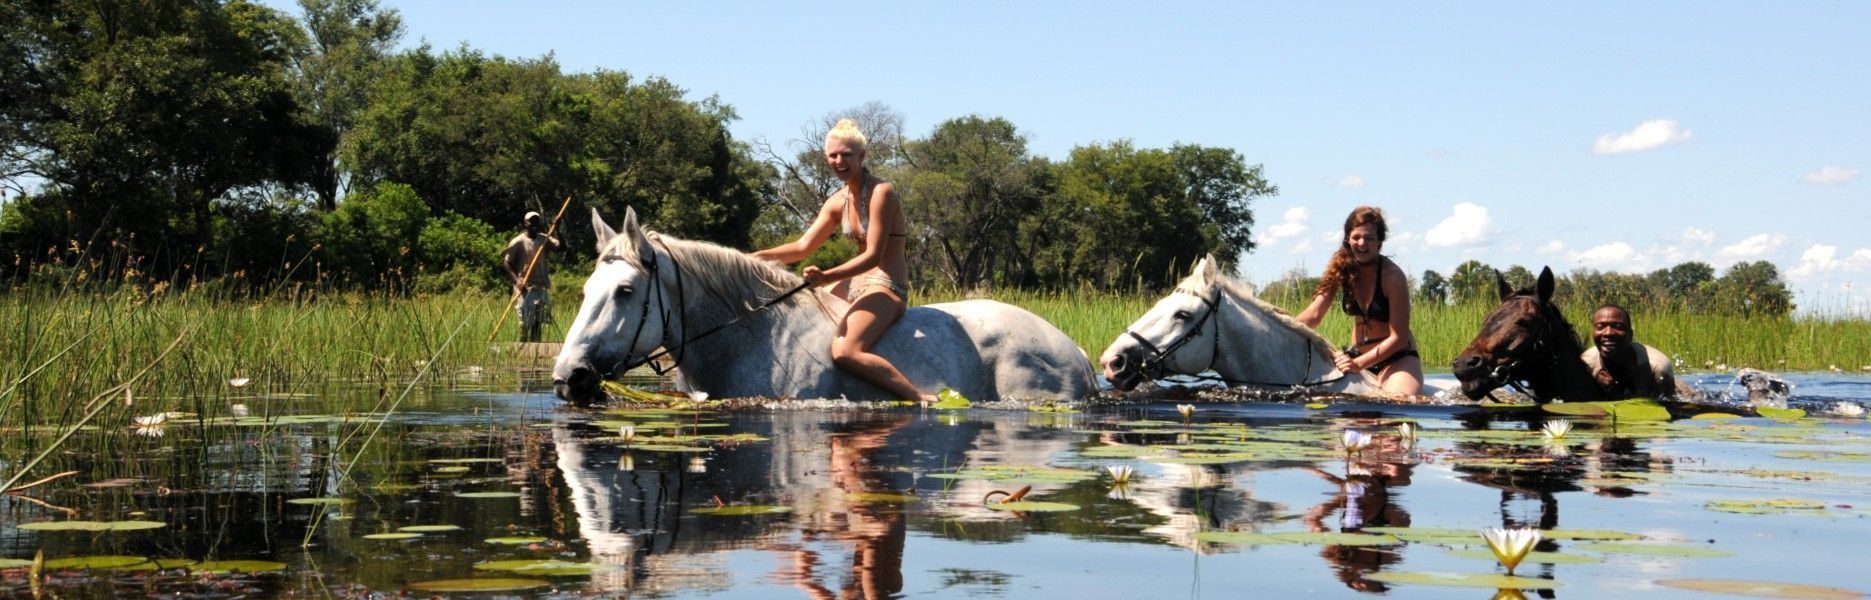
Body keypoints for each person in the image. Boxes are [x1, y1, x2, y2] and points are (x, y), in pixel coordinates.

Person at [752, 119, 934, 404]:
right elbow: (802, 247)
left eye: (846, 155)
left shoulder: (881, 192)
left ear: (862, 157)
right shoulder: (837, 200)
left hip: (885, 285)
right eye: (833, 155)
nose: (839, 161)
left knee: (844, 352)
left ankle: (916, 397)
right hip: (851, 284)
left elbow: (873, 255)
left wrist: (825, 276)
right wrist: (754, 258)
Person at [1297, 206, 1424, 395]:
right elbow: (1314, 314)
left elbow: (1398, 338)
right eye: (1356, 237)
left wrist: (1357, 364)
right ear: (1348, 239)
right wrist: (1280, 330)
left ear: (1379, 242)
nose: (1362, 243)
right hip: (1356, 356)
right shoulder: (1339, 268)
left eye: (1369, 238)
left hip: (1397, 359)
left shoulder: (1393, 277)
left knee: (1399, 402)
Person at [1580, 304, 1678, 399]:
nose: (1608, 333)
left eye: (1618, 327)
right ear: (1593, 333)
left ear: (1631, 334)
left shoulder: (1657, 366)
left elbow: (1668, 407)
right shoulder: (1585, 364)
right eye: (1601, 327)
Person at [502, 210, 561, 343]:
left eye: (536, 221)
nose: (534, 224)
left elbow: (559, 247)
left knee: (538, 323)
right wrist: (517, 281)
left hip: (540, 287)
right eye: (531, 222)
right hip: (525, 288)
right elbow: (506, 263)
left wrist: (556, 227)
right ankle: (522, 350)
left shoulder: (544, 239)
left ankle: (535, 350)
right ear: (525, 224)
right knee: (525, 324)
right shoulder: (518, 241)